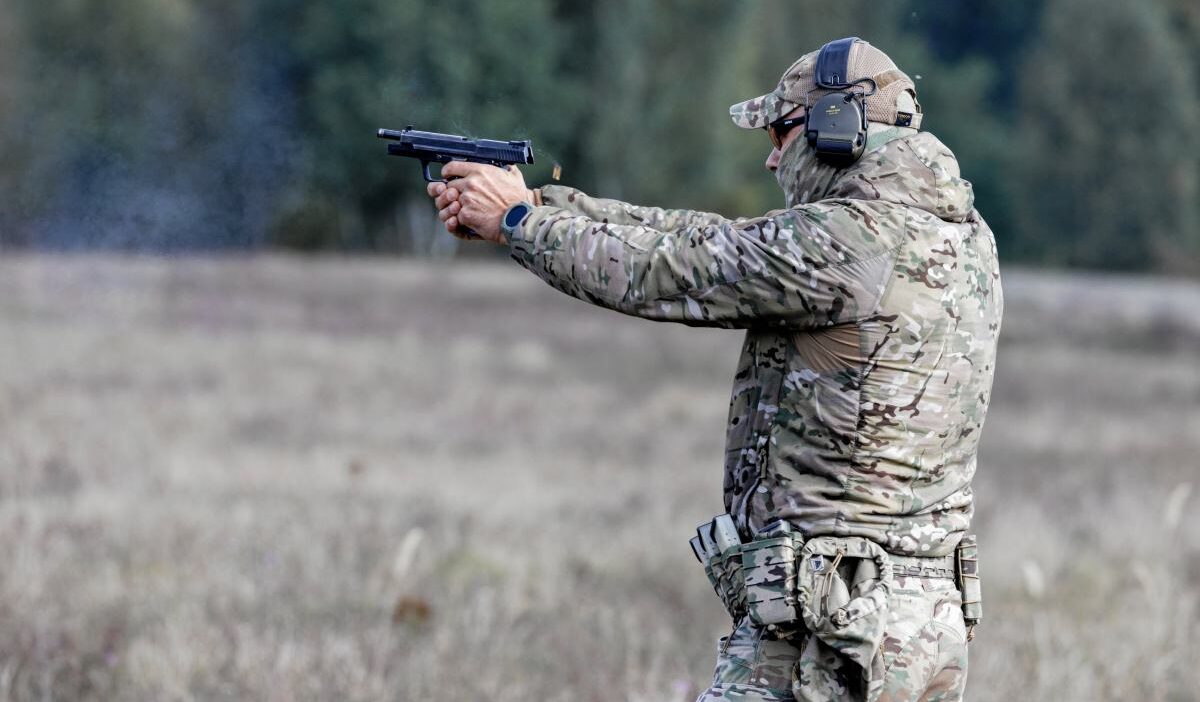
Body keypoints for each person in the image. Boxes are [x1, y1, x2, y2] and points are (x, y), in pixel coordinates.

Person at [426, 37, 1002, 702]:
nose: (772, 155)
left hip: (828, 636)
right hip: (917, 627)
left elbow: (669, 271)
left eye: (782, 132)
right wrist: (545, 206)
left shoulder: (851, 243)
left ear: (836, 129)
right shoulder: (965, 238)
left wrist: (520, 223)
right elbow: (702, 238)